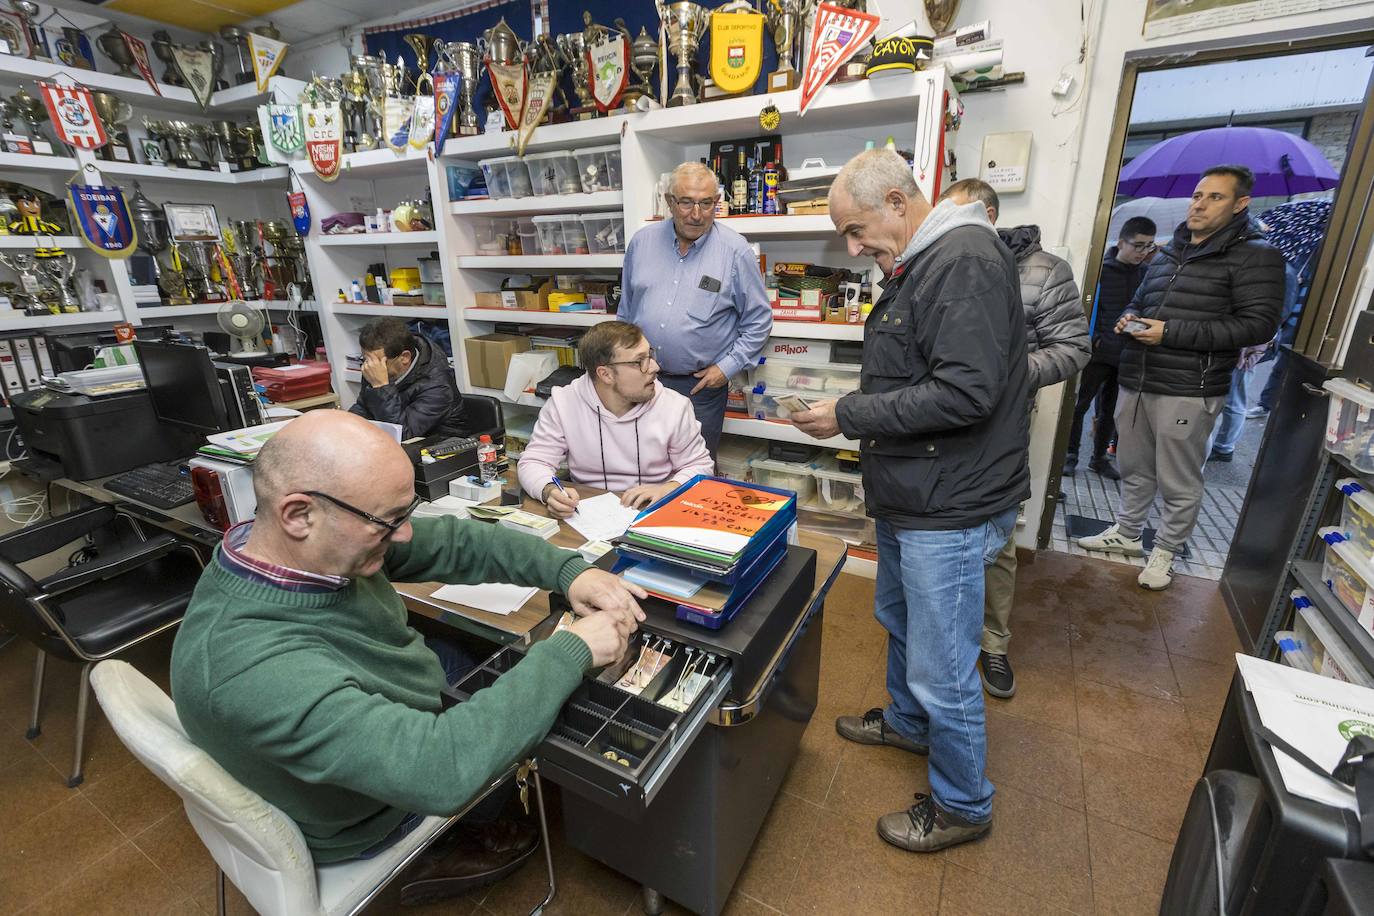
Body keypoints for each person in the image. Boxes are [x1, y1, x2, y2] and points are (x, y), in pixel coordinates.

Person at [170, 411, 646, 903]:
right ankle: (475, 837)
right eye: (388, 520)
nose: (403, 534)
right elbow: (443, 770)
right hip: (373, 813)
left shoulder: (300, 546)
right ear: (298, 514)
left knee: (480, 658)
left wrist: (569, 571)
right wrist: (571, 650)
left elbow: (455, 542)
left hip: (380, 705)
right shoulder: (252, 668)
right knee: (538, 701)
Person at [792, 150, 1029, 853]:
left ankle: (962, 804)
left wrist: (849, 413)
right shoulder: (923, 262)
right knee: (898, 618)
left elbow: (966, 393)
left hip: (947, 504)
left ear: (898, 201)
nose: (854, 248)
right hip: (914, 491)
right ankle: (908, 723)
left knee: (944, 664)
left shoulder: (961, 262)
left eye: (858, 230)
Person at [1077, 165, 1284, 590]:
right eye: (1197, 195)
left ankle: (1166, 551)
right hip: (1137, 377)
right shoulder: (1170, 251)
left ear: (1241, 203)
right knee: (1133, 465)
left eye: (1215, 197)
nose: (1200, 204)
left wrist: (1169, 333)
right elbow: (1139, 298)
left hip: (1190, 386)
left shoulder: (1256, 255)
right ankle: (1129, 533)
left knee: (1178, 478)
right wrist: (1130, 318)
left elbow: (1258, 325)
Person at [939, 178, 1089, 700]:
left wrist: (1003, 375)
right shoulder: (943, 263)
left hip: (999, 429)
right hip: (940, 426)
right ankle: (938, 636)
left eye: (961, 219)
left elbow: (1072, 348)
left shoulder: (1044, 271)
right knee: (938, 535)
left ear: (991, 216)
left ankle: (994, 644)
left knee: (995, 540)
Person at [617, 161, 773, 456]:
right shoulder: (641, 243)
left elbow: (759, 321)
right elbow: (625, 313)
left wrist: (726, 369)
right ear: (669, 202)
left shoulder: (735, 251)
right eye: (687, 202)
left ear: (717, 202)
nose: (697, 214)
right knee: (637, 462)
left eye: (706, 203)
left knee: (693, 475)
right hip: (641, 379)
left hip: (700, 389)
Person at [516, 321, 715, 516]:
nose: (654, 367)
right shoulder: (564, 403)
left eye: (650, 355)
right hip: (585, 511)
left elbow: (700, 466)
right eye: (640, 361)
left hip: (653, 508)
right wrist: (550, 490)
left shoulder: (674, 406)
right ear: (606, 374)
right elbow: (533, 461)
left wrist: (668, 488)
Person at [1064, 216, 1159, 479]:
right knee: (1079, 405)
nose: (1143, 252)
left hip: (1128, 353)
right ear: (1122, 243)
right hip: (1098, 351)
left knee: (1112, 411)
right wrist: (1095, 338)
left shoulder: (1146, 274)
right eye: (1138, 245)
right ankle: (1070, 455)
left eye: (1149, 246)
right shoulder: (1100, 270)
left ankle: (1099, 458)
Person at [348, 317, 467, 439]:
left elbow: (401, 434)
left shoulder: (438, 387)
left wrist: (382, 387)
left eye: (378, 362)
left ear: (404, 357)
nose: (369, 367)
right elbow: (363, 409)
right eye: (366, 359)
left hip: (437, 447)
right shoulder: (374, 369)